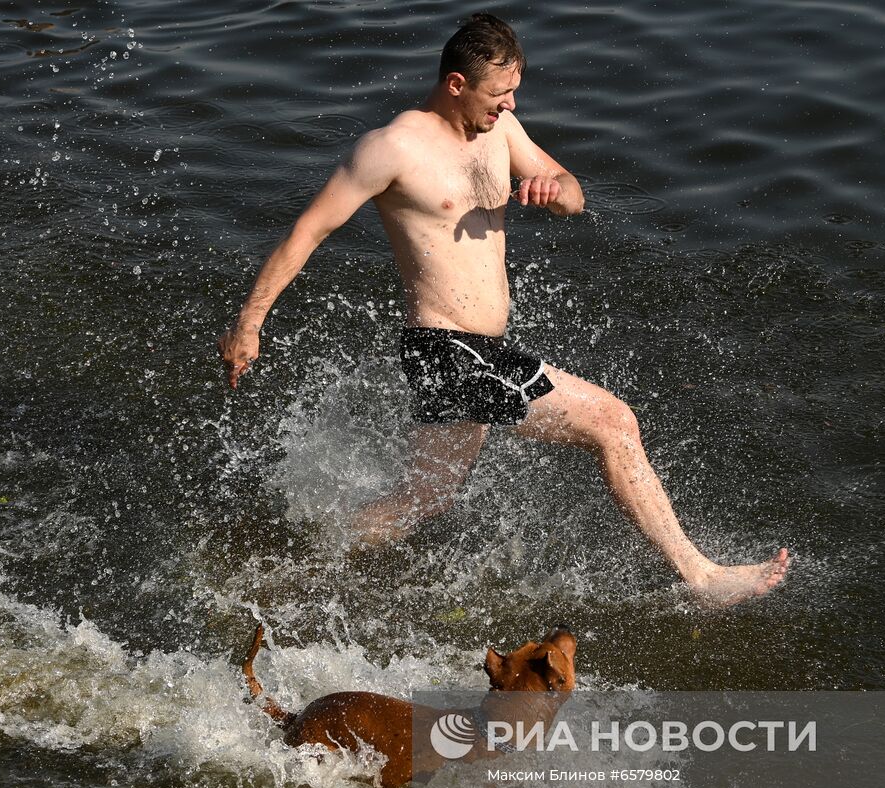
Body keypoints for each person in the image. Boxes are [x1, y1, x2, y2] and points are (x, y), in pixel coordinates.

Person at [219, 13, 788, 604]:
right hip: (447, 348)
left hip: (477, 352)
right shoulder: (391, 149)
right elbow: (306, 232)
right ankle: (701, 576)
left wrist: (555, 192)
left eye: (514, 90)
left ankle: (286, 571)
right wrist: (249, 323)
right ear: (457, 85)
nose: (509, 103)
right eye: (498, 92)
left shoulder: (501, 132)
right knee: (613, 422)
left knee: (420, 499)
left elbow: (570, 190)